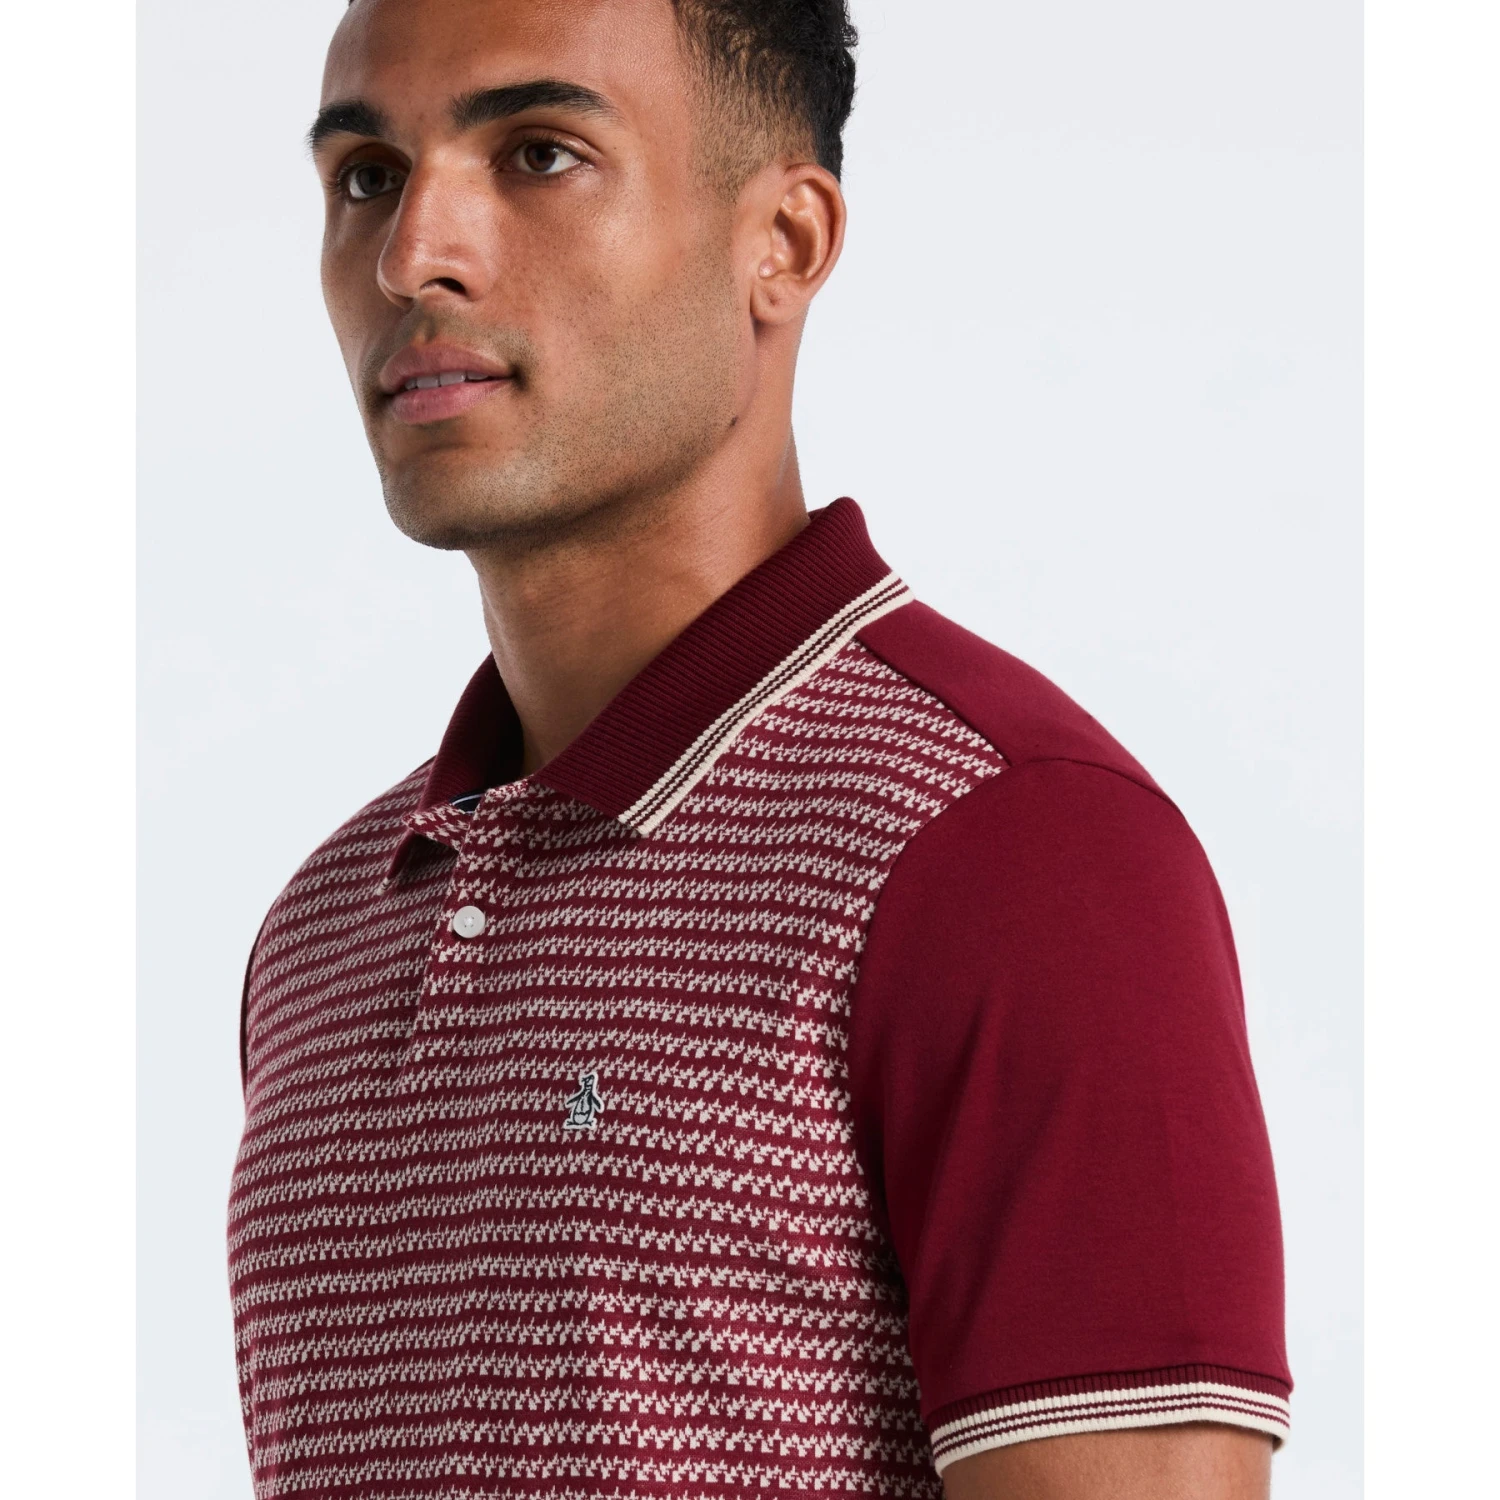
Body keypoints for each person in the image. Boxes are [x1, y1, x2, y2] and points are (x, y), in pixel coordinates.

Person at [227, 1, 1291, 1495]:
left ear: (782, 243)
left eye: (539, 153)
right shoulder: (326, 930)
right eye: (366, 177)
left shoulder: (1021, 851)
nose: (414, 256)